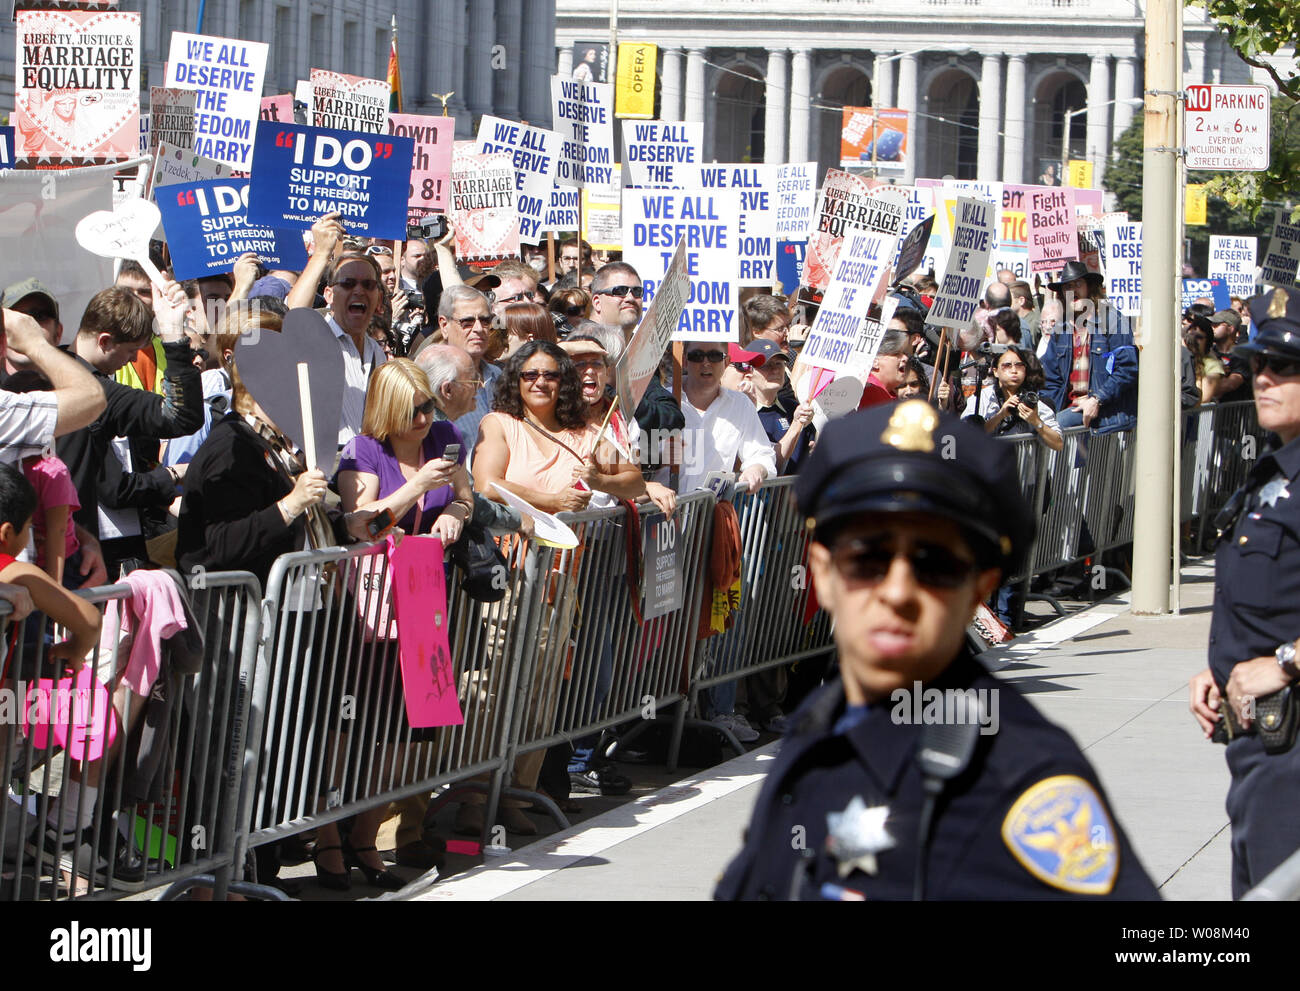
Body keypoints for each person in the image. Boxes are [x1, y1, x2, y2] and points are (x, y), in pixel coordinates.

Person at [716, 400, 1160, 900]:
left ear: (979, 587)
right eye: (868, 559)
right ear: (823, 571)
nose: (898, 591)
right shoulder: (823, 723)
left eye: (934, 565)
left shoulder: (1017, 775)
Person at [1188, 288, 1300, 898]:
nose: (1264, 379)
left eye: (1285, 368)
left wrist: (1284, 664)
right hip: (1256, 754)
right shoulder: (1270, 473)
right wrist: (1217, 665)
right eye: (1259, 365)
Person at [1040, 260, 1138, 433]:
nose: (1073, 291)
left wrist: (1097, 399)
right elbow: (1051, 379)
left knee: (1055, 426)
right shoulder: (1061, 329)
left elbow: (1127, 369)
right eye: (1067, 287)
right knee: (1036, 426)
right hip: (1071, 410)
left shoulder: (1112, 320)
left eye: (1078, 284)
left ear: (1089, 287)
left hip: (1106, 412)